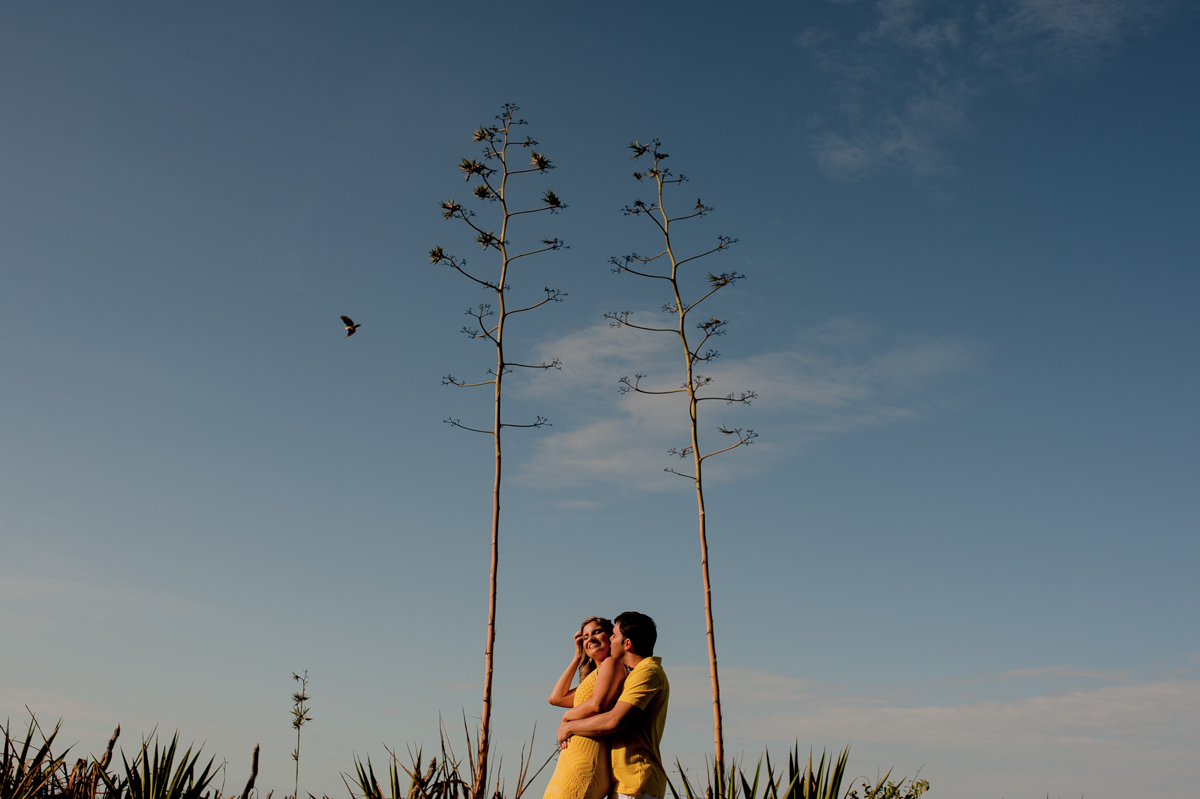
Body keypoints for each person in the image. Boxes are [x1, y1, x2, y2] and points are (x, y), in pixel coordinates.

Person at [557, 612, 669, 799]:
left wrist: (568, 726)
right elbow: (557, 698)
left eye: (614, 635)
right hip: (624, 782)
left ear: (627, 644)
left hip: (636, 780)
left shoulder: (648, 671)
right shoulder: (633, 675)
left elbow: (614, 720)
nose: (610, 639)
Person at [543, 616, 627, 799]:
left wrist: (567, 717)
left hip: (587, 758)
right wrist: (577, 656)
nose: (591, 639)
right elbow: (555, 698)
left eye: (597, 632)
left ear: (611, 637)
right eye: (586, 636)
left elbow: (597, 704)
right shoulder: (594, 677)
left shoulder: (611, 664)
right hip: (573, 757)